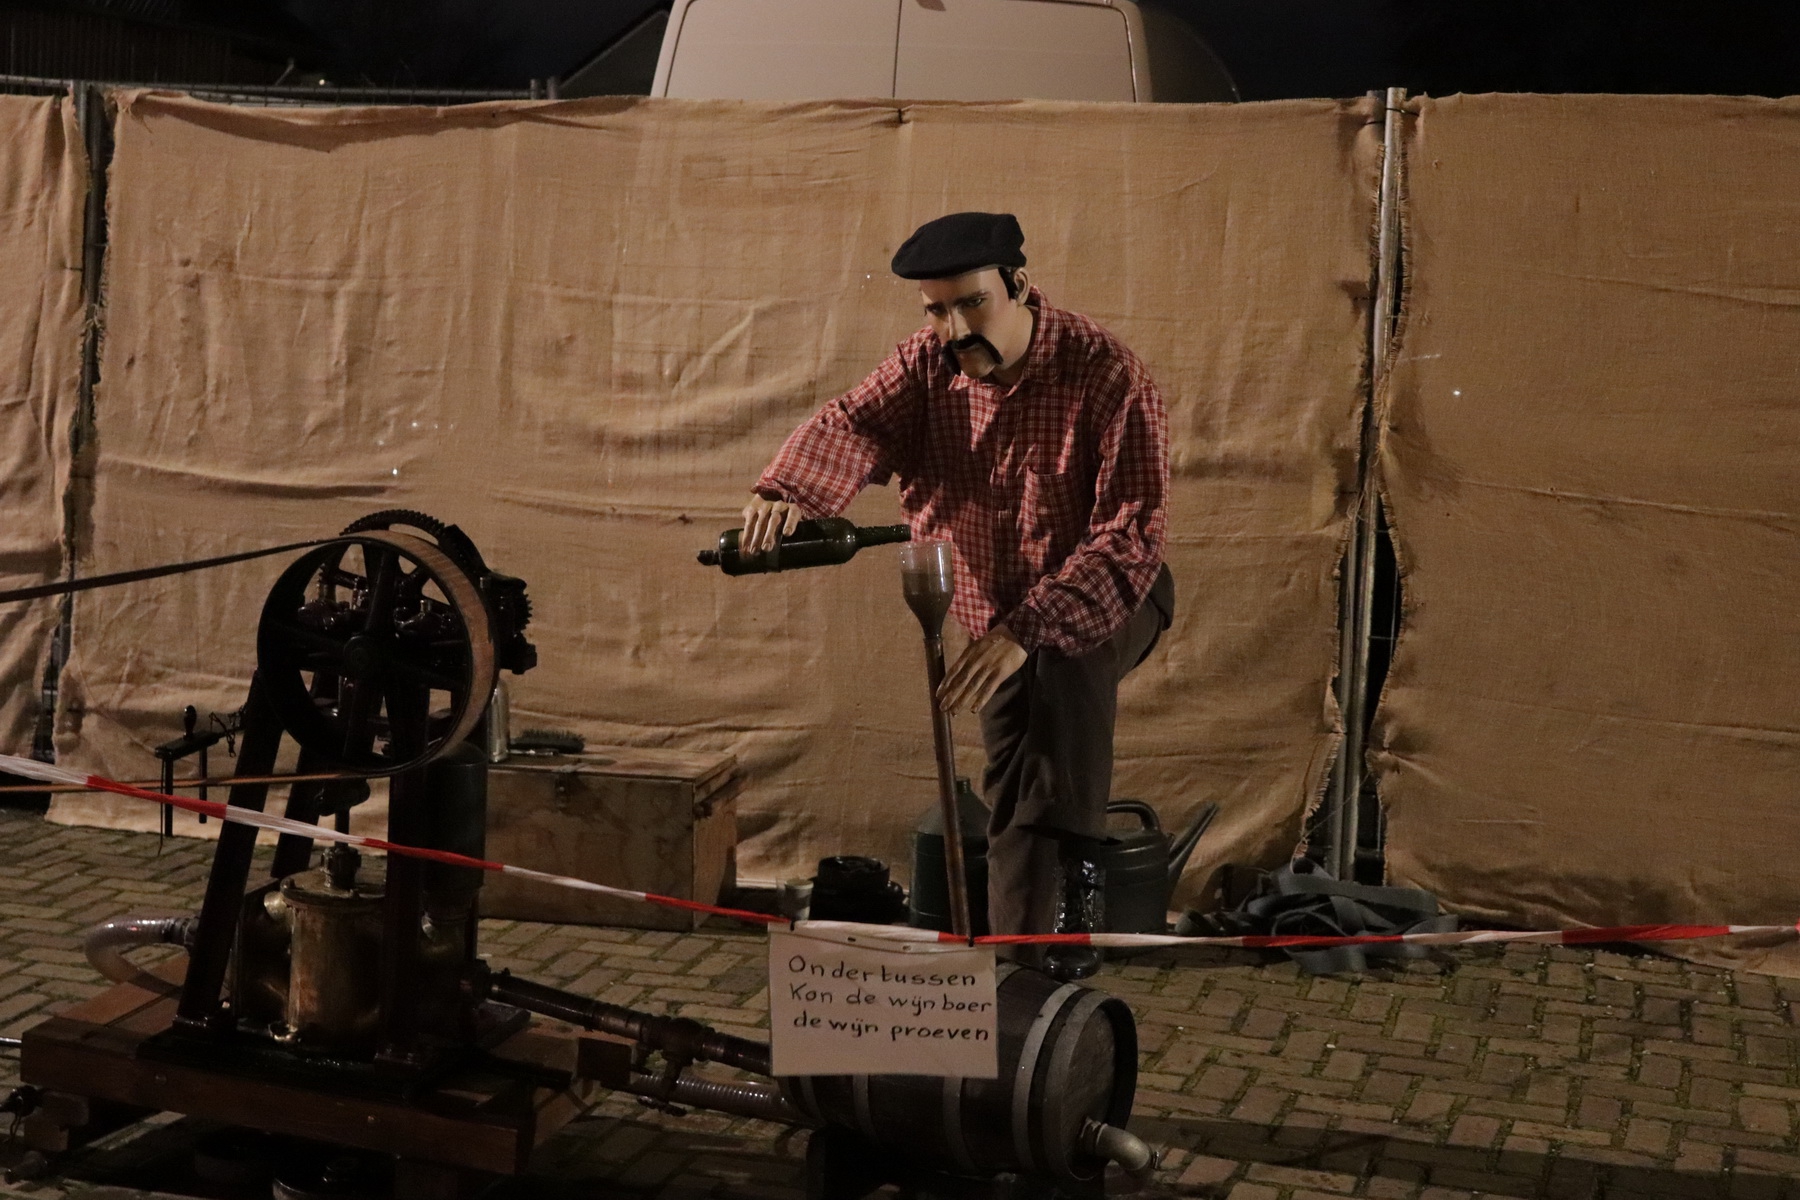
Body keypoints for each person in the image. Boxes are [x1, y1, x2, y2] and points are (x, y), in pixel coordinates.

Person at [742, 212, 1172, 980]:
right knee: (1014, 789)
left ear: (1019, 286)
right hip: (993, 615)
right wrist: (789, 489)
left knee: (1061, 672)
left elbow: (1128, 538)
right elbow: (853, 424)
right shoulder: (924, 366)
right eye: (937, 310)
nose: (955, 329)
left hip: (1112, 592)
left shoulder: (1107, 375)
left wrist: (1025, 632)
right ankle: (1016, 965)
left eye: (972, 303)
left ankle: (1072, 900)